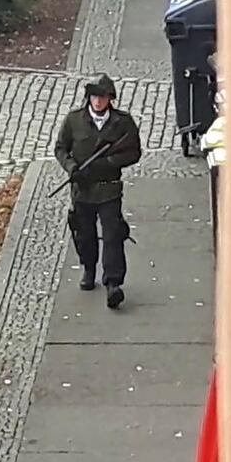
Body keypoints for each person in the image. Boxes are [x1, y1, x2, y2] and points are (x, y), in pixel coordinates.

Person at [54, 73, 142, 309]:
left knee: (113, 234)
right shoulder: (74, 120)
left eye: (102, 97)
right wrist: (72, 167)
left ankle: (113, 282)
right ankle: (89, 267)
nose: (98, 102)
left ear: (109, 99)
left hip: (109, 188)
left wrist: (109, 163)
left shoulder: (122, 123)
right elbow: (61, 148)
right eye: (94, 97)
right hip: (82, 189)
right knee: (84, 234)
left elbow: (133, 152)